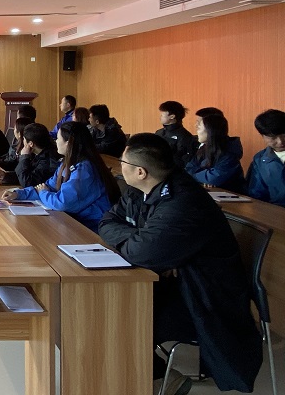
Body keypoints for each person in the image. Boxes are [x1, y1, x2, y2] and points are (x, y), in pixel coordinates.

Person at [99, 133, 262, 394]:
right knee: (113, 305)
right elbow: (107, 222)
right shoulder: (140, 191)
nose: (120, 166)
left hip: (206, 297)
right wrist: (141, 238)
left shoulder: (182, 201)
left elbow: (140, 252)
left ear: (140, 172)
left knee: (125, 315)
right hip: (180, 284)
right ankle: (152, 378)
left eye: (123, 162)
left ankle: (159, 381)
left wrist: (140, 242)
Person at [2, 121, 119, 232]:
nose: (56, 141)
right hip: (74, 221)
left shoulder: (84, 169)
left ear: (68, 143)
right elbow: (48, 186)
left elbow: (62, 203)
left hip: (91, 227)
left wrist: (44, 193)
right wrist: (18, 194)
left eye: (58, 138)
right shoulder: (67, 163)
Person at [185, 114, 245, 193]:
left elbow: (213, 178)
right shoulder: (203, 149)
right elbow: (188, 168)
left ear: (210, 131)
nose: (196, 131)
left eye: (199, 128)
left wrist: (199, 176)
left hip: (231, 196)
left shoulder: (229, 153)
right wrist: (204, 177)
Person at [0, 123, 61, 187]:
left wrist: (24, 157)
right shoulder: (38, 152)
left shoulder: (48, 160)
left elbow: (27, 182)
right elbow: (26, 173)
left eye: (24, 139)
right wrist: (6, 176)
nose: (23, 141)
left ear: (31, 144)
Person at [246, 109, 285, 206]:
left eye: (284, 135)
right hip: (275, 211)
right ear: (263, 136)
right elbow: (256, 194)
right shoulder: (260, 160)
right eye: (273, 138)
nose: (280, 141)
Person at [155, 100, 195, 168]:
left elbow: (182, 160)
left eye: (162, 115)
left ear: (172, 116)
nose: (160, 117)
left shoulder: (184, 136)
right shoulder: (159, 132)